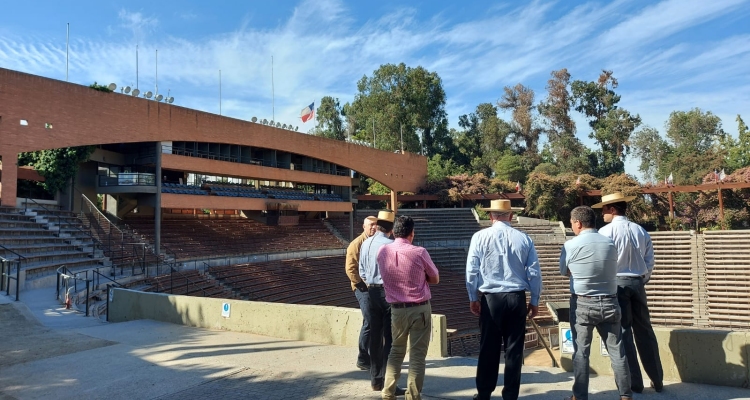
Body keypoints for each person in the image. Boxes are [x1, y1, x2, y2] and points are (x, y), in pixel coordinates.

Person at [466, 199, 542, 400]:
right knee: (514, 350)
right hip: (516, 298)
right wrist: (534, 300)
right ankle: (510, 395)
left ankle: (484, 394)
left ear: (491, 216)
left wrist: (473, 297)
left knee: (488, 348)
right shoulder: (524, 239)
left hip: (491, 299)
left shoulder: (479, 237)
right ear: (511, 216)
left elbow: (472, 270)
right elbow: (534, 272)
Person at [593, 192, 663, 393]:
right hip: (638, 283)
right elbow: (650, 260)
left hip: (617, 284)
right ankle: (657, 379)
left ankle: (634, 382)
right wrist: (643, 278)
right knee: (645, 331)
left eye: (605, 210)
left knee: (623, 332)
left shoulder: (605, 232)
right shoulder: (640, 230)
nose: (603, 213)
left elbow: (602, 263)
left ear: (612, 209)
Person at [560, 206, 632, 400]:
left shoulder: (569, 245)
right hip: (610, 302)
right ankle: (626, 395)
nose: (572, 226)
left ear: (578, 223)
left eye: (572, 222)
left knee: (581, 353)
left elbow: (564, 271)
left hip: (582, 303)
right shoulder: (610, 243)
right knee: (617, 351)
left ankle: (579, 396)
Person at [378, 215, 440, 400]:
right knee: (417, 356)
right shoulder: (419, 252)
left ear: (394, 232)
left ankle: (388, 393)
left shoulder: (382, 251)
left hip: (396, 310)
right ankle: (412, 396)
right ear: (411, 233)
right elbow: (435, 278)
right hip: (418, 308)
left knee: (396, 351)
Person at [359, 210, 404, 395]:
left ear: (377, 226)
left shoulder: (366, 243)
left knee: (375, 339)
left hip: (370, 292)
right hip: (387, 293)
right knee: (391, 340)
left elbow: (361, 270)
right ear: (392, 228)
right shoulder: (392, 245)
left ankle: (376, 380)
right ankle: (389, 383)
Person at [345, 215, 378, 371]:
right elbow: (350, 269)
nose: (373, 227)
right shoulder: (356, 244)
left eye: (376, 225)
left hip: (375, 287)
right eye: (370, 225)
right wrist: (362, 285)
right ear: (364, 227)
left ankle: (375, 356)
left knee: (377, 322)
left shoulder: (377, 243)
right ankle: (363, 358)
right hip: (362, 288)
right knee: (369, 321)